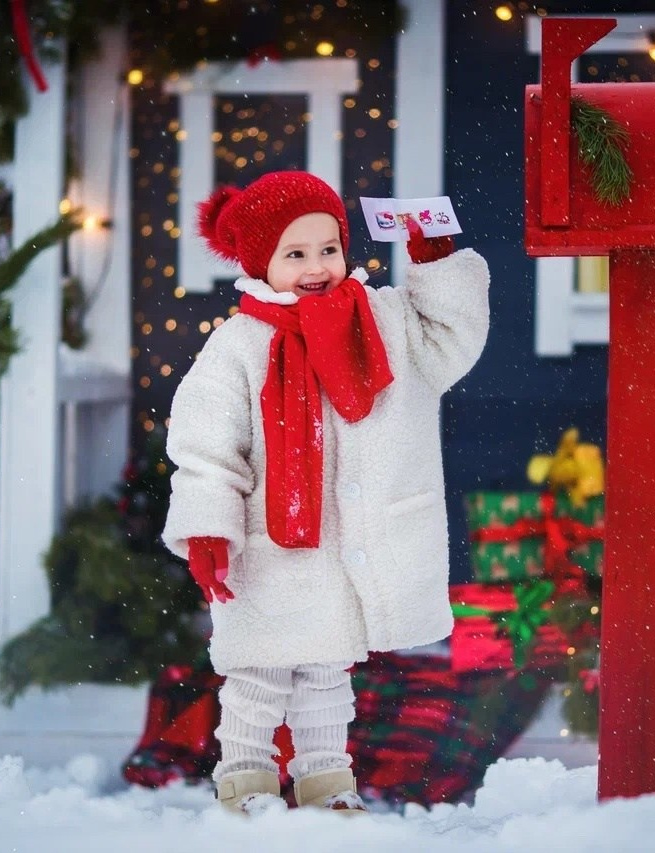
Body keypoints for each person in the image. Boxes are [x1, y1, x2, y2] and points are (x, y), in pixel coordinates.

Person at [162, 170, 490, 815]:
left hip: (347, 546)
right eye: (295, 253)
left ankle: (325, 782)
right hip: (269, 546)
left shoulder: (387, 320)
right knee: (256, 671)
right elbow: (204, 448)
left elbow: (453, 342)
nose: (316, 266)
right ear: (262, 262)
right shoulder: (238, 346)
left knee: (325, 673)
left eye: (328, 249)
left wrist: (433, 265)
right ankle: (245, 779)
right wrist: (207, 526)